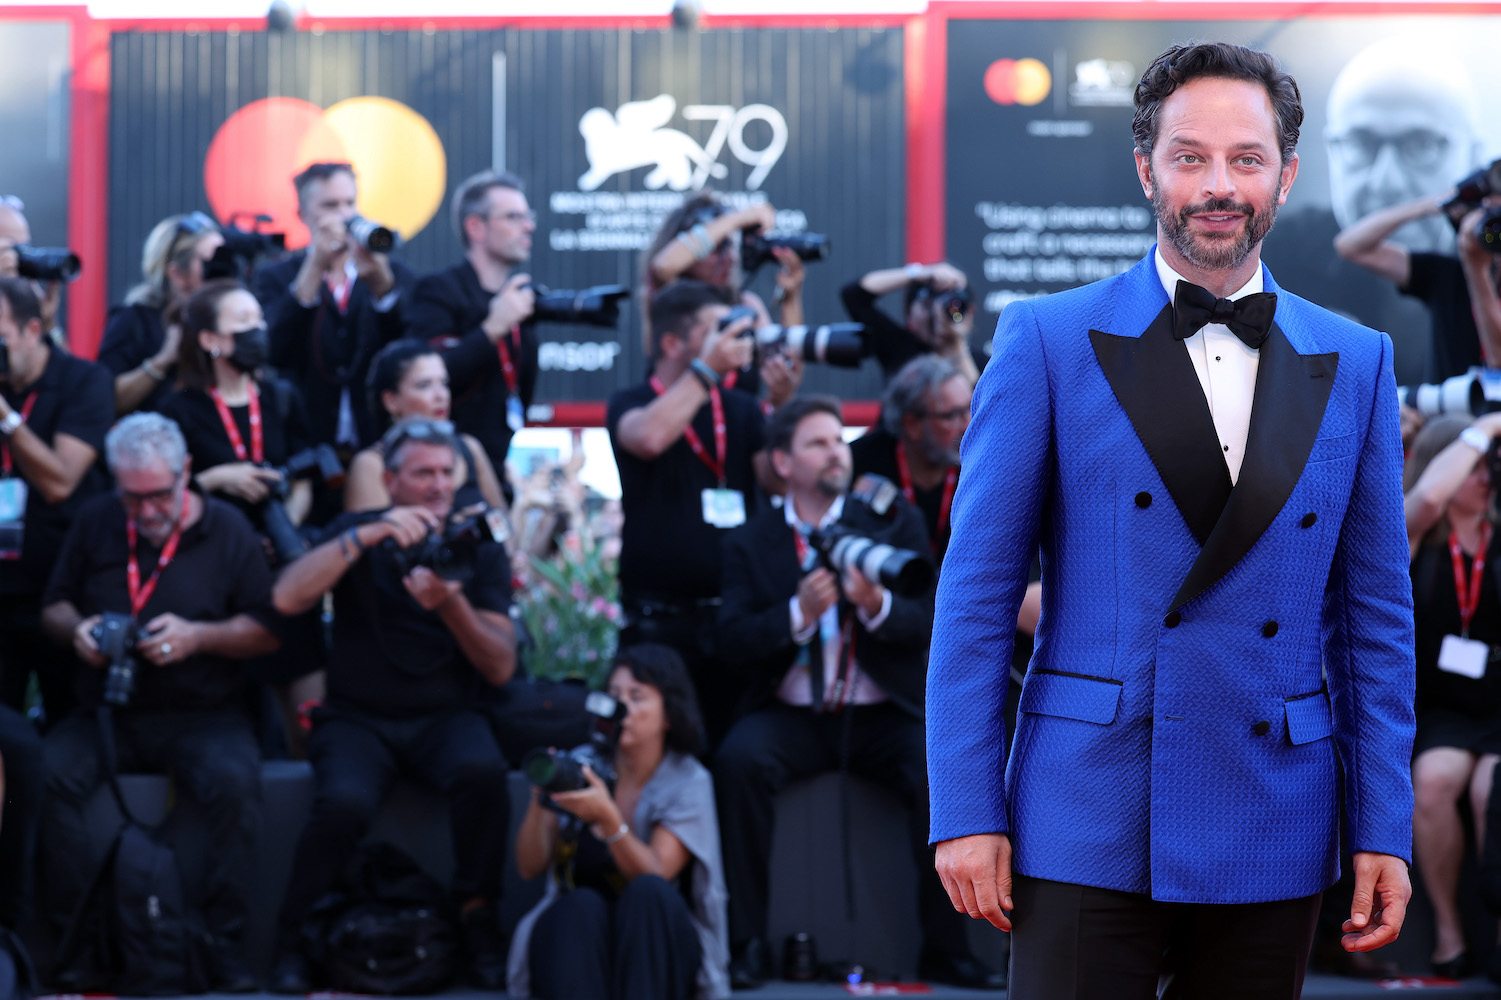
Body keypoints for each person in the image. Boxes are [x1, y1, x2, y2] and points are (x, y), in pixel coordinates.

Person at [928, 42, 1417, 999]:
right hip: (1087, 803)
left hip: (1273, 803)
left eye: (1246, 158)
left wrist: (1380, 826)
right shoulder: (1047, 338)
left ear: (1285, 172)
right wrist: (964, 808)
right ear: (1146, 168)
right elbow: (977, 599)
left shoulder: (1356, 359)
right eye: (1190, 157)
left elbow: (1374, 624)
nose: (1219, 184)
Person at [712, 396, 1003, 990]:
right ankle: (745, 945)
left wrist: (875, 605)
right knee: (738, 762)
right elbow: (728, 640)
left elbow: (928, 614)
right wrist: (799, 612)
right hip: (791, 712)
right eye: (816, 443)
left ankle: (948, 949)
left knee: (937, 773)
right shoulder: (751, 541)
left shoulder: (889, 518)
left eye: (837, 440)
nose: (834, 453)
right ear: (782, 463)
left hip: (880, 711)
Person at [267, 419, 517, 994]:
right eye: (421, 473)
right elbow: (286, 596)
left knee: (482, 774)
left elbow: (501, 665)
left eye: (445, 473)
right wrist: (366, 537)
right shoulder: (357, 530)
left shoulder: (478, 545)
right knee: (343, 802)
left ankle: (479, 922)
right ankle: (294, 936)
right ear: (390, 480)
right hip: (358, 718)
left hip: (447, 717)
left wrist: (450, 604)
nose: (436, 486)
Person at [38, 412, 278, 992]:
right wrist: (80, 632)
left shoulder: (227, 531)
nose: (145, 512)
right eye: (131, 498)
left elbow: (269, 631)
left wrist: (201, 637)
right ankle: (77, 942)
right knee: (47, 778)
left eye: (158, 496)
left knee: (237, 786)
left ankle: (222, 946)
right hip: (107, 710)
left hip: (203, 710)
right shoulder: (98, 521)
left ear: (186, 474)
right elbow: (53, 607)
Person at [607, 280, 779, 747]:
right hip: (659, 624)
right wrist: (707, 372)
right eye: (713, 329)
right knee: (659, 753)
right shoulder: (633, 401)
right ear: (673, 342)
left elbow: (777, 480)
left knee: (730, 756)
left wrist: (782, 405)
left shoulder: (741, 409)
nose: (729, 339)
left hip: (732, 621)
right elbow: (647, 438)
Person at [508, 644, 729, 1000]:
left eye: (636, 697)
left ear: (669, 714)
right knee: (580, 905)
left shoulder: (688, 780)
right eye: (613, 696)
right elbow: (528, 867)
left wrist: (609, 822)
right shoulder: (581, 766)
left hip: (654, 947)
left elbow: (656, 872)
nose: (620, 709)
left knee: (649, 894)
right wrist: (540, 802)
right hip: (578, 946)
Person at [159, 278, 321, 755]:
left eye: (260, 320)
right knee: (254, 723)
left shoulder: (282, 397)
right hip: (222, 577)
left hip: (286, 568)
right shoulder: (180, 408)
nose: (259, 331)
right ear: (210, 340)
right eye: (244, 323)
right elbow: (162, 493)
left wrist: (286, 520)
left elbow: (307, 472)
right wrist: (218, 479)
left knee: (311, 724)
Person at [1401, 413, 1501, 980]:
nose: (1485, 478)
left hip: (1497, 707)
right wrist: (1484, 427)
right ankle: (1448, 934)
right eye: (1474, 468)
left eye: (1493, 468)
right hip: (1444, 711)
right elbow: (1431, 499)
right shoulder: (1418, 539)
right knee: (1434, 784)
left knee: (1495, 791)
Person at [0, 276, 113, 722]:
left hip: (61, 593)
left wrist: (7, 419)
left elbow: (61, 481)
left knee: (70, 723)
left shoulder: (84, 381)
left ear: (32, 330)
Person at [252, 162, 415, 453]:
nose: (344, 214)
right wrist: (315, 266)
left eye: (350, 203)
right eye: (330, 205)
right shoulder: (275, 277)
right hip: (305, 444)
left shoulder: (391, 271)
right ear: (303, 215)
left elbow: (409, 344)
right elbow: (274, 350)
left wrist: (382, 287)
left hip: (376, 443)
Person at [405, 171, 538, 489]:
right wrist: (493, 328)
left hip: (497, 471)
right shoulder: (437, 291)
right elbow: (430, 378)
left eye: (527, 216)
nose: (528, 226)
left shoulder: (519, 299)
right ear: (476, 227)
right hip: (442, 474)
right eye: (513, 217)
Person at [642, 192, 806, 404]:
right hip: (674, 428)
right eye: (715, 247)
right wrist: (739, 219)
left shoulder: (747, 306)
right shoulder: (669, 299)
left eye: (731, 246)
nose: (728, 257)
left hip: (735, 434)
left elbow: (789, 372)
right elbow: (664, 266)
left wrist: (791, 297)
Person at [1326, 38, 1483, 256]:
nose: (1387, 184)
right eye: (1361, 144)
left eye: (1422, 145)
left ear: (1474, 158)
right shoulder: (1286, 253)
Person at [1333, 187, 1501, 382]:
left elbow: (1497, 361)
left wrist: (1475, 267)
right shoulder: (1449, 275)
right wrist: (1426, 206)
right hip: (1442, 409)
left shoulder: (1470, 268)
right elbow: (1350, 246)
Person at [348, 339, 505, 513]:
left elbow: (505, 530)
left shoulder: (470, 449)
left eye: (444, 384)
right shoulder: (372, 464)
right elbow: (369, 536)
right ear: (391, 400)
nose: (441, 396)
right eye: (424, 385)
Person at [98, 212, 225, 415]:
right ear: (177, 273)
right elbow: (104, 400)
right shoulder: (134, 320)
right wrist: (163, 360)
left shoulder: (230, 318)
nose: (222, 269)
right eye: (211, 262)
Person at [850, 355, 972, 564]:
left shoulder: (983, 465)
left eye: (970, 409)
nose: (968, 424)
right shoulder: (859, 464)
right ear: (912, 425)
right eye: (952, 415)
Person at [841, 262, 982, 386]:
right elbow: (854, 295)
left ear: (971, 312)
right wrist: (918, 273)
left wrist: (956, 346)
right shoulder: (897, 348)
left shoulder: (985, 362)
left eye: (954, 308)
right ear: (909, 311)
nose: (938, 314)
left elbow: (986, 408)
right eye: (928, 305)